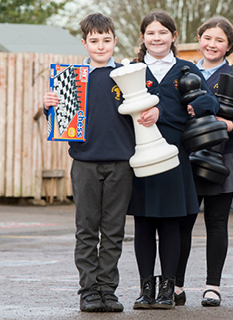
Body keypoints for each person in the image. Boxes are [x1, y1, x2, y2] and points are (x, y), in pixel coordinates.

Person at [43, 13, 158, 313]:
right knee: (86, 229)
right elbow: (62, 121)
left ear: (115, 41)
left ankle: (108, 289)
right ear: (84, 43)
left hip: (121, 163)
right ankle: (88, 290)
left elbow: (144, 110)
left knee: (113, 230)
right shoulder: (72, 79)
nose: (101, 46)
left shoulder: (126, 76)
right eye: (94, 41)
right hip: (85, 163)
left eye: (106, 40)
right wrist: (49, 107)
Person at [128, 10, 219, 310]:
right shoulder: (131, 70)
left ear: (174, 36)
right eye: (151, 33)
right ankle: (145, 290)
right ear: (142, 37)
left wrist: (195, 106)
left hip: (174, 158)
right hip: (141, 157)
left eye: (163, 33)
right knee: (143, 224)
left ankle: (168, 289)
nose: (157, 38)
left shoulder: (187, 70)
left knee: (170, 224)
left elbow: (211, 102)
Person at [174, 16, 233, 307]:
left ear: (229, 46)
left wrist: (226, 126)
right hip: (189, 158)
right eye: (208, 37)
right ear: (199, 40)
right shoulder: (182, 73)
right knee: (182, 224)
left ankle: (212, 287)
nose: (212, 44)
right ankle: (176, 286)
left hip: (225, 157)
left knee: (217, 224)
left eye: (220, 40)